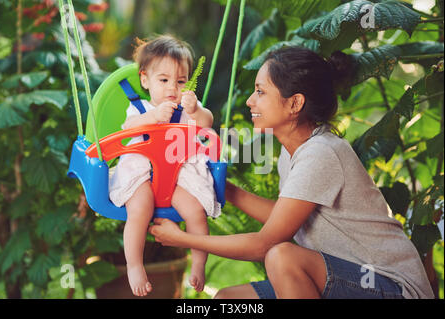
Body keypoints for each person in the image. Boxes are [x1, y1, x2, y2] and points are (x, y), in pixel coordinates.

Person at [149, 46, 435, 299]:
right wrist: (222, 187)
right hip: (345, 280)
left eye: (260, 91)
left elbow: (264, 243)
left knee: (281, 256)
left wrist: (182, 238)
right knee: (228, 297)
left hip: (392, 287)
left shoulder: (321, 153)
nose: (250, 100)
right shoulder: (293, 151)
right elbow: (283, 217)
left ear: (295, 103)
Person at [109, 34, 221, 297]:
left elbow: (207, 122)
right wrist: (152, 118)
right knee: (139, 209)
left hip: (178, 176)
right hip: (142, 176)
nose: (173, 88)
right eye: (164, 80)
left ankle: (199, 263)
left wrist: (195, 110)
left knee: (195, 211)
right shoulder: (139, 108)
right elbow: (128, 128)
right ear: (145, 79)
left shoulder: (187, 106)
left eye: (180, 81)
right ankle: (134, 265)